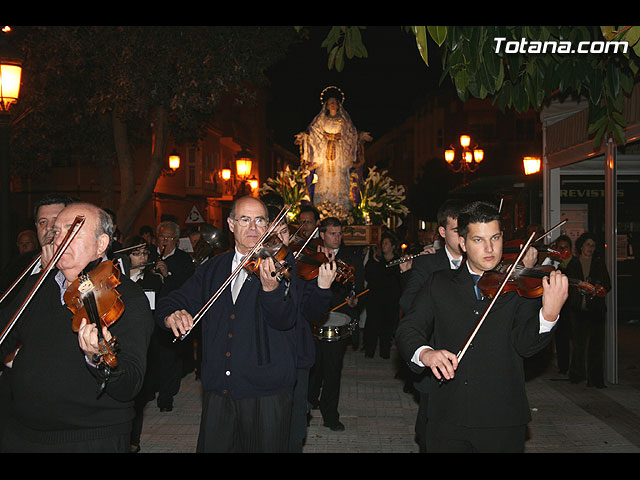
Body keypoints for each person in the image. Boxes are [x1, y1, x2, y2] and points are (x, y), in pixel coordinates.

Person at [395, 200, 568, 453]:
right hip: (447, 417)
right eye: (478, 240)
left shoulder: (518, 285)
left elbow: (525, 345)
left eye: (495, 238)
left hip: (502, 419)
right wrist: (425, 353)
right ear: (463, 243)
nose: (490, 248)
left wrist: (549, 314)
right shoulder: (439, 283)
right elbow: (407, 329)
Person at [0, 202, 154, 452]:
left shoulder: (126, 298)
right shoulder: (35, 286)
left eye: (73, 231)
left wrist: (99, 358)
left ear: (101, 244)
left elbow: (130, 385)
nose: (61, 238)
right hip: (22, 434)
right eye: (57, 231)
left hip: (90, 437)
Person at [156, 196, 300, 452]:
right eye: (245, 219)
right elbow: (174, 300)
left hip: (265, 393)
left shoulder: (282, 265)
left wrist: (271, 289)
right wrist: (171, 316)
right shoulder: (214, 267)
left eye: (260, 220)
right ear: (231, 224)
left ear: (268, 226)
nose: (253, 227)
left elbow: (286, 319)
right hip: (218, 391)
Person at [397, 198, 465, 452]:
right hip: (437, 358)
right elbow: (409, 301)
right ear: (442, 232)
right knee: (431, 434)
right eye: (457, 230)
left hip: (472, 365)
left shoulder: (482, 263)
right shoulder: (428, 263)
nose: (463, 237)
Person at [307, 216, 365, 432]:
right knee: (312, 366)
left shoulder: (351, 259)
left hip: (337, 322)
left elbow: (358, 288)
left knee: (332, 370)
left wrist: (355, 299)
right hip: (313, 320)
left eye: (340, 233)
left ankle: (330, 414)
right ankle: (308, 403)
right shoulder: (312, 256)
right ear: (322, 235)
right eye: (333, 233)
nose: (338, 238)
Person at [295, 87, 372, 211]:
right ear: (326, 106)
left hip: (340, 155)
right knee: (324, 179)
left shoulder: (344, 121)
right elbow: (313, 133)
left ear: (338, 105)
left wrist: (361, 135)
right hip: (324, 154)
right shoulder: (321, 120)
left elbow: (351, 134)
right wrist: (304, 136)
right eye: (330, 103)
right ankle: (322, 208)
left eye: (335, 103)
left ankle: (342, 209)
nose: (332, 105)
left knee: (340, 178)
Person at [147, 221, 196, 412]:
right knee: (152, 354)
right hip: (150, 312)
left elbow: (187, 286)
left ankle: (166, 397)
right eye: (161, 237)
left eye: (169, 238)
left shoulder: (183, 260)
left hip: (172, 314)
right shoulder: (150, 255)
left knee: (170, 357)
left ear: (176, 240)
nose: (165, 241)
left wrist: (168, 274)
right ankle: (150, 389)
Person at [123, 237, 165, 453]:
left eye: (145, 254)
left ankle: (134, 440)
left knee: (138, 393)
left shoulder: (152, 280)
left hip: (144, 341)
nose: (142, 258)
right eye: (136, 253)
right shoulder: (115, 280)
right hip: (119, 340)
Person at [565, 232, 611, 388]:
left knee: (596, 346)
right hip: (578, 309)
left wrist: (598, 288)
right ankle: (577, 374)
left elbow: (607, 285)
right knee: (578, 344)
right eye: (587, 245)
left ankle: (595, 379)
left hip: (595, 310)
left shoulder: (599, 264)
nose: (590, 248)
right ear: (581, 246)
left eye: (593, 246)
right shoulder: (573, 264)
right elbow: (568, 285)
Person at [363, 231, 402, 359]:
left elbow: (396, 278)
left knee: (388, 327)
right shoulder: (376, 260)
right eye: (382, 243)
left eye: (386, 243)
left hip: (391, 299)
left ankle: (385, 351)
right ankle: (369, 351)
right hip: (375, 298)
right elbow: (368, 276)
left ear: (393, 246)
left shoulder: (397, 262)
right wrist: (374, 262)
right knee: (372, 325)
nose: (383, 246)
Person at [542, 234, 574, 375]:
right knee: (558, 339)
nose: (562, 251)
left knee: (569, 339)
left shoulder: (573, 263)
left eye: (565, 248)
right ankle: (562, 367)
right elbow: (542, 271)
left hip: (570, 307)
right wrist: (551, 257)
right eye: (559, 248)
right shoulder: (553, 263)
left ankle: (570, 368)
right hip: (555, 306)